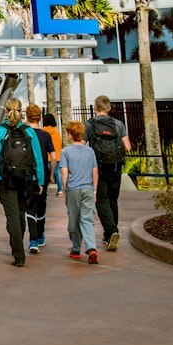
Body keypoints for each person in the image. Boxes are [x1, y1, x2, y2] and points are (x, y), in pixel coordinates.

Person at [0, 97, 45, 267]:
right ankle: (19, 247)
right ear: (21, 111)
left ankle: (18, 255)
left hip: (5, 180)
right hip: (26, 179)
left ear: (5, 111)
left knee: (12, 216)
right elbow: (38, 158)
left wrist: (1, 168)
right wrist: (40, 181)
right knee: (21, 214)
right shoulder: (29, 132)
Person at [84, 95, 131, 251]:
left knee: (101, 200)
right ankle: (109, 234)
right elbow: (128, 147)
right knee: (113, 200)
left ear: (95, 107)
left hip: (99, 167)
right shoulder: (118, 124)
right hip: (116, 166)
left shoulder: (89, 125)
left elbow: (82, 145)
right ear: (109, 108)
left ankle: (111, 231)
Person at [59, 121, 99, 264]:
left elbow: (64, 173)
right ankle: (91, 247)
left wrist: (64, 190)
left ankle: (76, 248)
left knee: (74, 219)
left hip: (73, 189)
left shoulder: (65, 152)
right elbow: (95, 171)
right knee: (87, 219)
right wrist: (94, 191)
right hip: (88, 188)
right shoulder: (90, 151)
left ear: (70, 135)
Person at [24, 104, 55, 253]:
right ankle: (41, 235)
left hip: (29, 176)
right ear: (40, 118)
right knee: (41, 206)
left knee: (30, 207)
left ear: (26, 116)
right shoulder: (45, 135)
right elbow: (54, 156)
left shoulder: (24, 134)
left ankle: (33, 240)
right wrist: (51, 174)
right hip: (43, 174)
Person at [42, 113, 63, 197]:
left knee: (45, 175)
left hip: (46, 157)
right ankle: (60, 190)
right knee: (58, 173)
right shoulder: (56, 132)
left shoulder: (43, 131)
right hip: (56, 156)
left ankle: (45, 191)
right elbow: (59, 144)